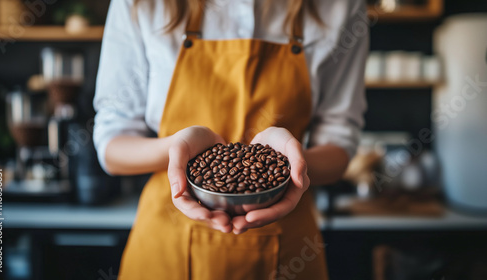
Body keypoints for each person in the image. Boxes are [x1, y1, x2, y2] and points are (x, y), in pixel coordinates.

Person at [93, 0, 368, 279]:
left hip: (289, 248)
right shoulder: (140, 4)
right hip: (165, 242)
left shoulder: (340, 6)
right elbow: (112, 145)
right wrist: (176, 148)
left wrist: (293, 163)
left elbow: (339, 143)